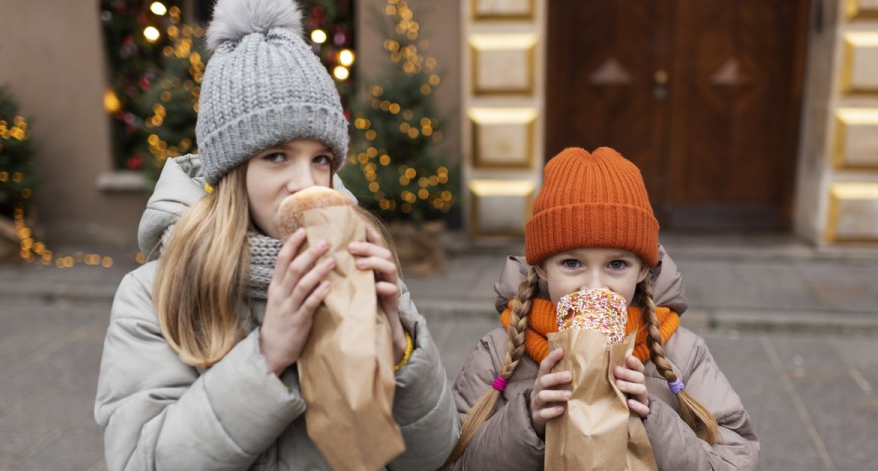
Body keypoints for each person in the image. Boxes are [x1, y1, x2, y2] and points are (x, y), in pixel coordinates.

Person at [93, 0, 457, 469]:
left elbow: (434, 456)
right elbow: (139, 462)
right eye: (277, 156)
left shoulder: (360, 264)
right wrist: (266, 356)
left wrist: (401, 356)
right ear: (232, 170)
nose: (306, 183)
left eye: (321, 158)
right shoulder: (153, 294)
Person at [443, 147, 759, 470]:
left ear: (642, 271)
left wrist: (653, 417)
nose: (594, 287)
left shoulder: (683, 354)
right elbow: (453, 460)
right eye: (572, 263)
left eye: (616, 264)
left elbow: (735, 458)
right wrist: (527, 419)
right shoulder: (498, 354)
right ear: (541, 268)